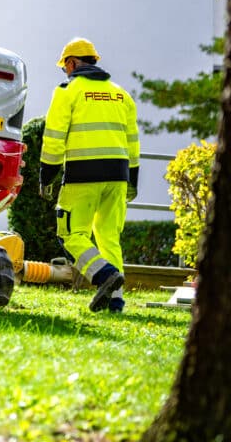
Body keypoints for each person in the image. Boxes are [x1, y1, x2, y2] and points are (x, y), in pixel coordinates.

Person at [38, 38, 140, 313]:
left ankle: (104, 275)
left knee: (70, 234)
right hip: (118, 175)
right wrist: (133, 179)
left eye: (65, 67)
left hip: (83, 173)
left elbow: (54, 138)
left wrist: (46, 176)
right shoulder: (121, 94)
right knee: (108, 236)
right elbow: (133, 142)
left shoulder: (67, 91)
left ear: (71, 63)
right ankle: (116, 300)